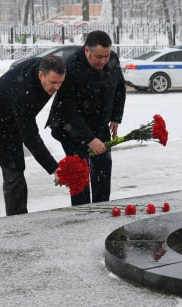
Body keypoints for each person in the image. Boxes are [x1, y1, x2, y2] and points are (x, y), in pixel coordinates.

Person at [0, 55, 66, 216]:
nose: (57, 88)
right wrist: (54, 168)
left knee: (16, 166)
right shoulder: (25, 94)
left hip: (10, 122)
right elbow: (30, 136)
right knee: (14, 169)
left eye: (60, 83)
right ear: (41, 75)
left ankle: (18, 217)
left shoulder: (46, 68)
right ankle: (17, 222)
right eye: (53, 83)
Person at [47, 30, 126, 206]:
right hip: (70, 128)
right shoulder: (72, 68)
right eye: (99, 56)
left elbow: (119, 87)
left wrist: (115, 117)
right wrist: (89, 139)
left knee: (103, 167)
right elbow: (69, 110)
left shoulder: (112, 59)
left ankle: (101, 208)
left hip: (99, 124)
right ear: (87, 50)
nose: (104, 61)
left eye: (106, 56)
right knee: (80, 173)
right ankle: (82, 214)